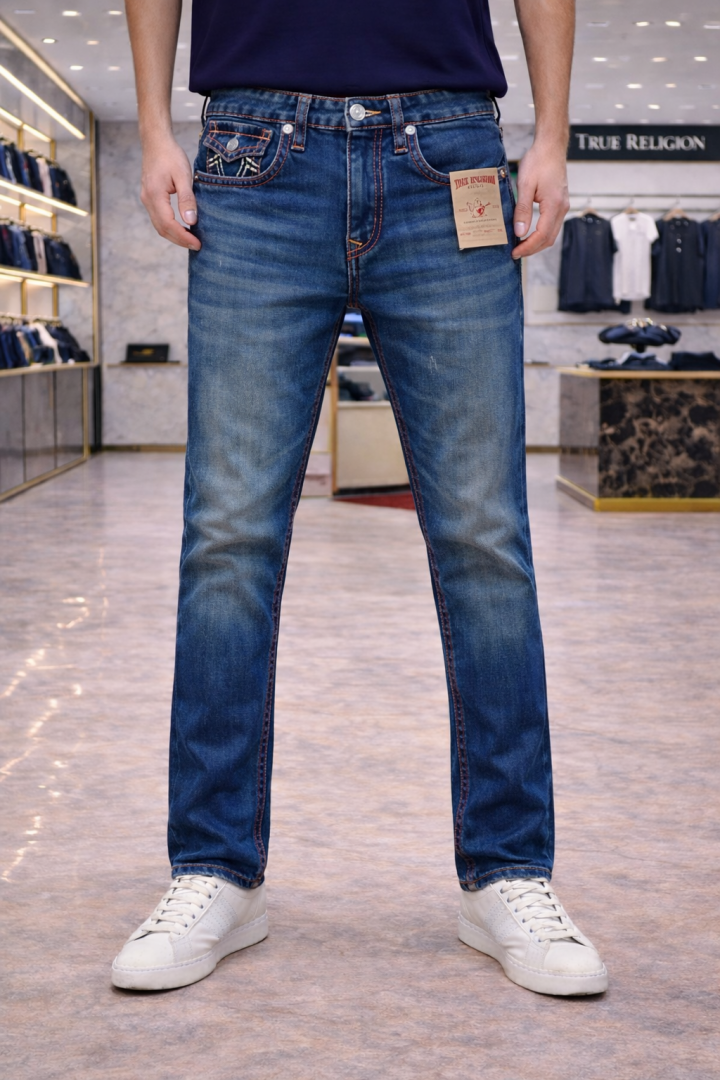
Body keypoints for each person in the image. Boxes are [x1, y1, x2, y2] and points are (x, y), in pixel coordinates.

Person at [112, 0, 608, 997]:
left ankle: (508, 871)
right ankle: (215, 868)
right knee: (229, 536)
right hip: (253, 155)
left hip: (450, 150)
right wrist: (156, 126)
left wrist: (552, 135)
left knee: (483, 536)